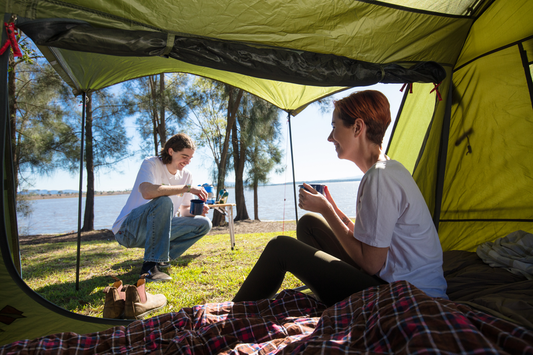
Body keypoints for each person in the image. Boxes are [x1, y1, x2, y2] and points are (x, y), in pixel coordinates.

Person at [233, 90, 447, 306]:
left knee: (280, 247)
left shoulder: (380, 177)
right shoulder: (387, 170)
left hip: (408, 297)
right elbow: (371, 242)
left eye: (334, 127)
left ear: (357, 128)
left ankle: (234, 314)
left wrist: (326, 209)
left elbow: (371, 263)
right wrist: (332, 208)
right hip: (397, 285)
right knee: (309, 224)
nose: (329, 137)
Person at [112, 133, 212, 282]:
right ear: (171, 151)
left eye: (190, 158)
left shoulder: (187, 175)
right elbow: (147, 192)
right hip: (128, 230)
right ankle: (149, 269)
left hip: (157, 232)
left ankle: (161, 259)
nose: (188, 161)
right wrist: (187, 188)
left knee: (204, 224)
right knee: (164, 201)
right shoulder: (151, 163)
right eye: (184, 156)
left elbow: (184, 210)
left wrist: (195, 211)